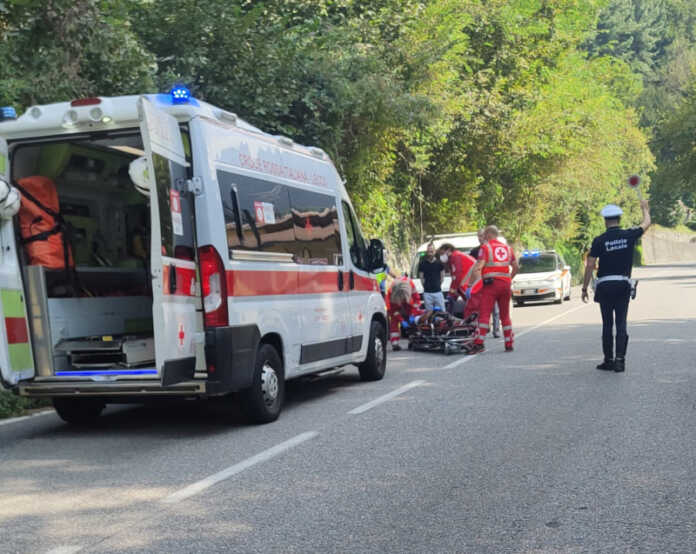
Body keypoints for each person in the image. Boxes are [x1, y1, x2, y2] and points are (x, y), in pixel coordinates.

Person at [582, 199, 651, 373]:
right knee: (621, 323)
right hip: (622, 285)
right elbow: (647, 223)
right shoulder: (629, 235)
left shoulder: (599, 240)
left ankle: (608, 360)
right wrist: (645, 209)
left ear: (605, 221)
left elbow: (590, 265)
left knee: (607, 324)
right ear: (619, 219)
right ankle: (620, 361)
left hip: (604, 286)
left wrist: (584, 288)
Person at [469, 225, 518, 354]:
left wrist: (473, 284)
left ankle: (479, 343)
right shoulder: (508, 249)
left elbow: (478, 267)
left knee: (484, 314)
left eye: (485, 234)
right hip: (505, 285)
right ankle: (509, 343)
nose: (483, 237)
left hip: (490, 286)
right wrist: (509, 279)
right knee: (505, 315)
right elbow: (516, 267)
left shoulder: (485, 248)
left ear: (490, 234)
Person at [469, 228, 501, 338]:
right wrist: (470, 283)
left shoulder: (492, 249)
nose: (480, 238)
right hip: (480, 283)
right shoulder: (474, 252)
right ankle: (484, 328)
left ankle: (496, 330)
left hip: (492, 281)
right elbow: (471, 268)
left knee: (495, 308)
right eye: (478, 236)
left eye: (481, 235)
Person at [438, 243, 477, 316]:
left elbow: (458, 276)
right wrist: (451, 294)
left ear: (449, 250)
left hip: (473, 284)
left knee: (471, 310)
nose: (441, 256)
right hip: (469, 283)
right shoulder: (453, 259)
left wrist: (454, 291)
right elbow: (454, 278)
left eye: (442, 253)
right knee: (469, 309)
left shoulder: (456, 256)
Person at [386, 275, 423, 351]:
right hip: (396, 304)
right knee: (394, 321)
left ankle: (413, 340)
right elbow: (393, 310)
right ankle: (395, 343)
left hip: (409, 304)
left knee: (414, 321)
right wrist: (401, 320)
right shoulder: (391, 292)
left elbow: (416, 302)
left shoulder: (411, 285)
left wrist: (412, 315)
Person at [418, 241, 445, 311]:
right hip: (427, 293)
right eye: (429, 251)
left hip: (438, 292)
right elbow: (421, 277)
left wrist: (438, 284)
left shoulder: (440, 263)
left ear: (435, 251)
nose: (430, 253)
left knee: (442, 312)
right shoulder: (422, 263)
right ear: (427, 252)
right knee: (429, 314)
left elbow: (442, 276)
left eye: (432, 251)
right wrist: (425, 285)